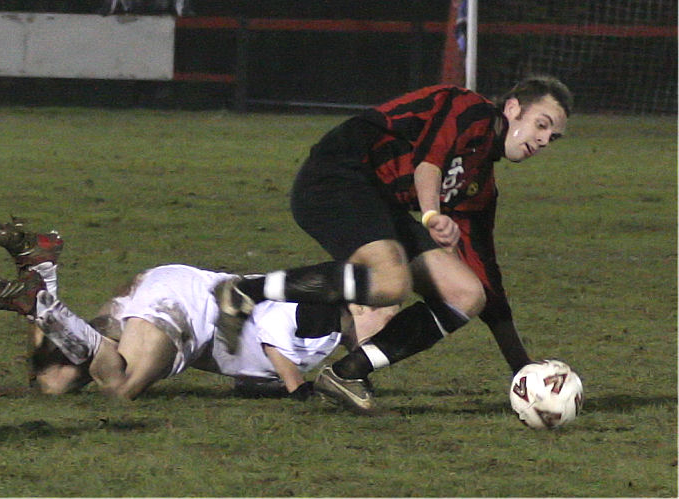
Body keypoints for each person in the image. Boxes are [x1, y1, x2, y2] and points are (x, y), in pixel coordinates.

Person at [215, 75, 573, 412]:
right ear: (512, 109)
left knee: (467, 293)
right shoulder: (469, 108)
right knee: (391, 282)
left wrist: (523, 369)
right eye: (542, 124)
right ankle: (245, 291)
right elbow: (428, 163)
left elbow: (488, 277)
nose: (543, 140)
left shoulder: (479, 185)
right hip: (338, 173)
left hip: (378, 203)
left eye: (552, 137)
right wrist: (432, 217)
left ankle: (347, 373)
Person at [0, 222, 397, 401]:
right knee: (119, 386)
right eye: (388, 312)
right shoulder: (321, 313)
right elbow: (272, 334)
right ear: (358, 303)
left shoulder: (331, 334)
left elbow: (247, 371)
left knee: (55, 381)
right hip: (188, 308)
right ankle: (41, 301)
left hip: (168, 287)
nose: (388, 324)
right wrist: (296, 387)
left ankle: (39, 273)